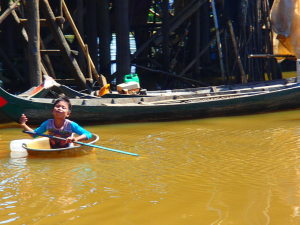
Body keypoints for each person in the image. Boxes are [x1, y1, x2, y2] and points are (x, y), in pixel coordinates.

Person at [19, 97, 92, 149]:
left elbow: (88, 134)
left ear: (68, 114)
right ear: (53, 111)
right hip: (53, 150)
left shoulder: (71, 125)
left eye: (63, 108)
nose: (60, 108)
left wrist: (76, 139)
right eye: (57, 106)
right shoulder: (47, 123)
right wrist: (23, 124)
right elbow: (34, 135)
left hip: (68, 150)